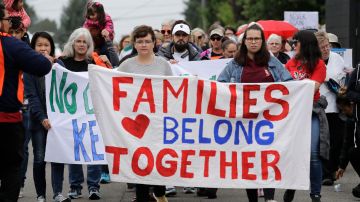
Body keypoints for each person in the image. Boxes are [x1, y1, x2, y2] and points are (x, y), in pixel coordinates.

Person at [215, 22, 292, 202]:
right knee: (248, 161)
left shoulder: (272, 61)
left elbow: (289, 83)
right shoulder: (235, 63)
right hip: (245, 121)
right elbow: (220, 84)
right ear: (244, 41)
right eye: (250, 38)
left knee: (268, 159)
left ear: (262, 41)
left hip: (268, 121)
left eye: (257, 39)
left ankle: (270, 198)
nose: (253, 42)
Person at [0, 3, 52, 201]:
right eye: (7, 19)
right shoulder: (11, 44)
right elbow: (42, 66)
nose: (9, 23)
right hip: (6, 121)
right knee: (11, 169)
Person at [117, 25, 171, 202]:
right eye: (140, 41)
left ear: (154, 43)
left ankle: (160, 193)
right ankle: (142, 197)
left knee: (158, 159)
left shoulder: (164, 65)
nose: (144, 45)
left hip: (158, 122)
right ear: (134, 43)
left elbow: (173, 91)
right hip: (136, 123)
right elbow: (114, 89)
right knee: (140, 160)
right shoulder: (126, 65)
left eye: (147, 41)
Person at [59, 27, 112, 201]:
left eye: (85, 42)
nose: (82, 44)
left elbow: (109, 79)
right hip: (71, 113)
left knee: (93, 150)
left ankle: (94, 187)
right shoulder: (62, 63)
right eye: (79, 41)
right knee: (74, 150)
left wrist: (109, 61)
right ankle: (75, 187)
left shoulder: (94, 63)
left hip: (92, 113)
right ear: (72, 43)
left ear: (89, 45)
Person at [24, 31, 71, 202]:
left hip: (57, 122)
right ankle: (40, 195)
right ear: (33, 47)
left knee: (57, 158)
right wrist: (42, 118)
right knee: (39, 159)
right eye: (39, 45)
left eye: (46, 45)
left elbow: (67, 88)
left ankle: (58, 193)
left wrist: (56, 65)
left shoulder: (59, 65)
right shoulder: (29, 68)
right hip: (38, 123)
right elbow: (32, 96)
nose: (43, 49)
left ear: (51, 48)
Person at [283, 30, 329, 202]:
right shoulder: (290, 63)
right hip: (293, 114)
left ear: (305, 44)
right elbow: (283, 86)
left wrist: (295, 87)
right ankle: (291, 188)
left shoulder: (318, 64)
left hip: (312, 112)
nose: (293, 45)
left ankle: (315, 193)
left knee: (313, 153)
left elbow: (314, 87)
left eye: (296, 42)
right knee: (293, 153)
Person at [315, 31, 351, 186]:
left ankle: (332, 170)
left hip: (336, 106)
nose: (325, 49)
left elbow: (343, 77)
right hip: (318, 106)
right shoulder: (312, 60)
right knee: (321, 141)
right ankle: (323, 173)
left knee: (337, 140)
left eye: (327, 46)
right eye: (322, 46)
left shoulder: (337, 59)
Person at [336, 64, 360, 198]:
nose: (344, 113)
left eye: (345, 109)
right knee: (353, 152)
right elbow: (347, 143)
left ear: (351, 105)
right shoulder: (351, 121)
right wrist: (342, 166)